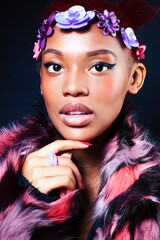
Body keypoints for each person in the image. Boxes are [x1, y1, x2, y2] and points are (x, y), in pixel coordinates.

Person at [0, 0, 159, 239]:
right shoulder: (5, 178)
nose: (73, 88)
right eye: (55, 66)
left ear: (134, 78)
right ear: (41, 80)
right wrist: (29, 203)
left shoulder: (153, 194)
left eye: (98, 66)